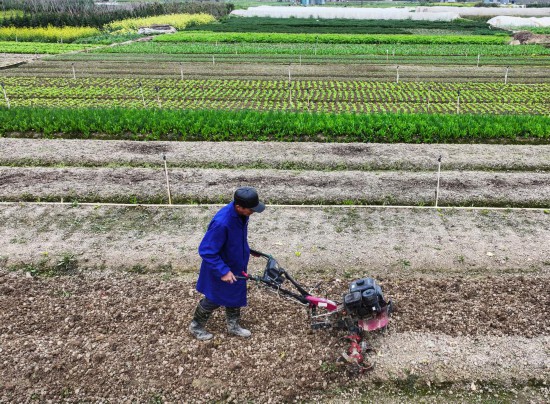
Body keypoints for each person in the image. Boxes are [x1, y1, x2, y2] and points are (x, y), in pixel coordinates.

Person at [188, 186, 265, 341]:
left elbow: (233, 238)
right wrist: (223, 271)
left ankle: (233, 326)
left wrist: (247, 249)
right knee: (214, 298)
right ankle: (196, 326)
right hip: (220, 268)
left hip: (236, 264)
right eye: (251, 209)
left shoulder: (241, 215)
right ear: (239, 206)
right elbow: (206, 250)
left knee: (235, 294)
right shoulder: (222, 223)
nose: (253, 212)